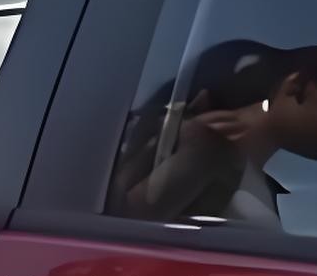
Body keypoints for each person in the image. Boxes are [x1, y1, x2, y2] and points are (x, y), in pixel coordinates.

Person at [110, 39, 317, 229]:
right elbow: (123, 229)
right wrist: (194, 154)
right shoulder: (207, 152)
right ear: (296, 85)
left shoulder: (254, 178)